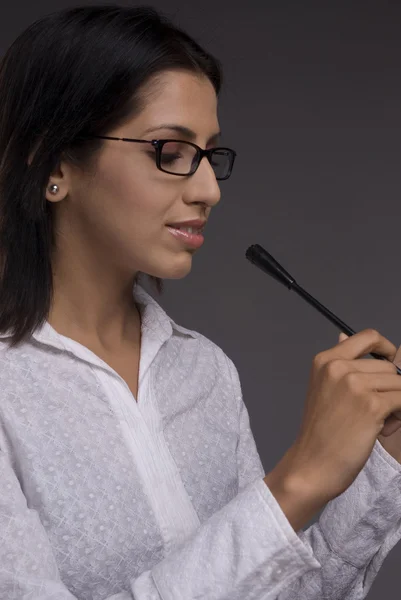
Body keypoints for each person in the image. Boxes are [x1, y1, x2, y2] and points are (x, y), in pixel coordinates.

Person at [0, 4, 401, 600]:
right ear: (53, 161)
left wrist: (386, 458)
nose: (209, 188)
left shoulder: (205, 371)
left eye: (211, 153)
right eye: (170, 150)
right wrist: (297, 482)